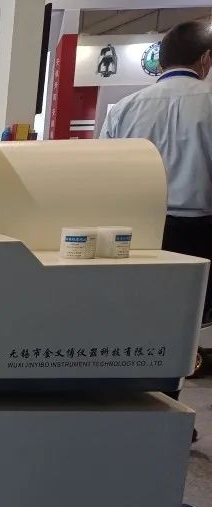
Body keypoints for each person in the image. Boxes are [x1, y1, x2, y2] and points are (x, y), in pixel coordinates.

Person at [100, 20, 212, 438]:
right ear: (205, 60)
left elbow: (103, 173)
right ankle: (170, 408)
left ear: (160, 62)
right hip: (198, 228)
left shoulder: (125, 108)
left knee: (136, 315)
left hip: (137, 229)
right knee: (186, 323)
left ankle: (131, 404)